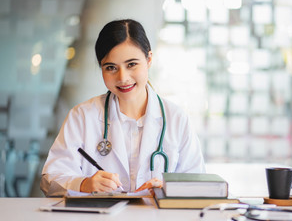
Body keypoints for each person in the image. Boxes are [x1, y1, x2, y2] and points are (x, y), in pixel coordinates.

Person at [40, 19, 205, 196]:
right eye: (111, 67)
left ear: (149, 59)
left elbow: (197, 184)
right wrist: (83, 184)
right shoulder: (82, 116)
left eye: (131, 64)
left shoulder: (176, 119)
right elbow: (50, 179)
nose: (123, 77)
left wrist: (168, 188)